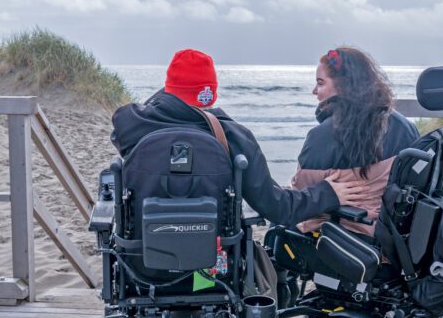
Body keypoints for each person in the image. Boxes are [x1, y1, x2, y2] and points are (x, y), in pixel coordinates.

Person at [110, 49, 365, 227]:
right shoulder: (233, 137)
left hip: (143, 270)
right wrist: (327, 194)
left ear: (168, 89)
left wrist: (167, 96)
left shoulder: (131, 126)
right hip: (210, 272)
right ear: (210, 94)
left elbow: (160, 108)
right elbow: (278, 208)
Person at [291, 47, 420, 235]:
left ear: (343, 86)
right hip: (393, 236)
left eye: (320, 83)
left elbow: (301, 198)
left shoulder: (321, 136)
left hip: (342, 238)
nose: (314, 91)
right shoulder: (406, 127)